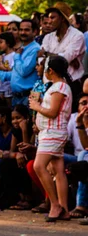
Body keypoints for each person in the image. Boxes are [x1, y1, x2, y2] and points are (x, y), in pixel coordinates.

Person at [30, 55, 73, 221]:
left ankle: (55, 204)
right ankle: (64, 208)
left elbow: (53, 112)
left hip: (52, 133)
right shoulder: (60, 86)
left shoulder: (59, 87)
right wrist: (41, 103)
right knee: (58, 170)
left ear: (51, 71)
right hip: (52, 132)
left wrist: (37, 106)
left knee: (39, 166)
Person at [40, 2, 85, 100]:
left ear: (62, 18)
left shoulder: (77, 35)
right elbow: (40, 60)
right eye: (49, 17)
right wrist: (59, 58)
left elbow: (64, 59)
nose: (49, 21)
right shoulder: (48, 37)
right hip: (49, 84)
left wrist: (47, 54)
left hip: (71, 84)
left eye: (53, 18)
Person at [0, 19, 40, 106]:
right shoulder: (23, 47)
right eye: (21, 29)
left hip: (27, 97)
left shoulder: (35, 49)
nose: (23, 32)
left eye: (26, 30)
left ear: (34, 32)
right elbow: (16, 74)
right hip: (16, 97)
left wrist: (16, 56)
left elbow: (23, 71)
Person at [0, 31, 15, 106]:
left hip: (8, 85)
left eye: (1, 42)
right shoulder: (2, 55)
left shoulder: (14, 55)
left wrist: (2, 66)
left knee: (9, 105)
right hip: (1, 85)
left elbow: (12, 70)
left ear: (8, 43)